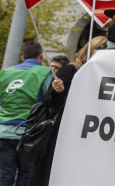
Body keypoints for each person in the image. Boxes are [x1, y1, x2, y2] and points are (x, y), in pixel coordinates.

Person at [0, 41, 51, 186]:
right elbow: (49, 101)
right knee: (27, 175)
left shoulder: (4, 74)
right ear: (41, 56)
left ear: (22, 57)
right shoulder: (44, 73)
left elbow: (3, 99)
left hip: (3, 131)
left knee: (5, 175)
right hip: (29, 132)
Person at [26, 53, 78, 186]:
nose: (53, 71)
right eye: (52, 67)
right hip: (38, 129)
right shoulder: (51, 76)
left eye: (57, 67)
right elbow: (47, 99)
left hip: (40, 129)